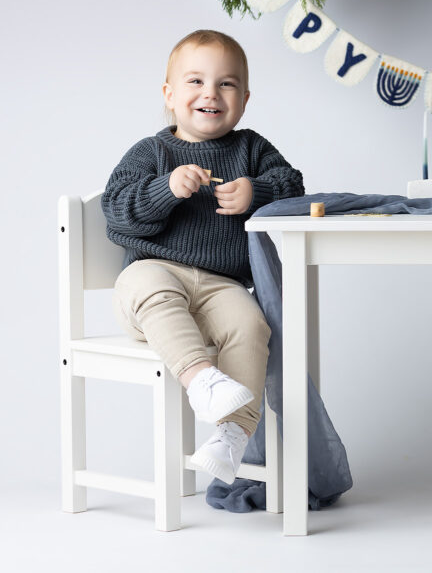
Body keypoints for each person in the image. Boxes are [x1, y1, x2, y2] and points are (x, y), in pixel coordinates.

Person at [102, 30, 304, 485]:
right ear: (169, 95)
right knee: (150, 284)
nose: (210, 93)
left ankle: (230, 438)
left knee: (252, 326)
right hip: (151, 282)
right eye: (195, 81)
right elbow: (115, 211)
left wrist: (258, 190)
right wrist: (165, 189)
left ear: (245, 98)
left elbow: (293, 186)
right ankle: (202, 381)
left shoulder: (251, 148)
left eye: (226, 84)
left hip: (221, 285)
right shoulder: (152, 152)